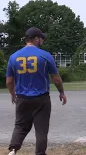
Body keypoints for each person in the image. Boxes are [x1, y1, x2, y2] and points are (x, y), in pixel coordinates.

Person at [6, 27, 67, 155]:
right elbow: (56, 79)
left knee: (20, 126)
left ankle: (13, 150)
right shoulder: (45, 56)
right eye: (41, 38)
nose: (42, 41)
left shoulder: (13, 57)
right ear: (36, 39)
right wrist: (61, 92)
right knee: (41, 129)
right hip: (41, 99)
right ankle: (40, 153)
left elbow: (9, 81)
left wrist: (13, 94)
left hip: (22, 98)